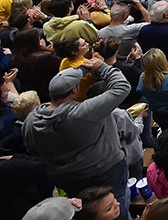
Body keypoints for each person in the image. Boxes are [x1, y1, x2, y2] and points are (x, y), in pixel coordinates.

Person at [22, 58, 133, 220]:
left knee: (84, 212)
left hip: (68, 178)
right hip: (105, 171)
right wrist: (102, 67)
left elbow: (32, 149)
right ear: (75, 89)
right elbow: (122, 86)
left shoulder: (31, 120)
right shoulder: (83, 113)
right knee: (115, 209)